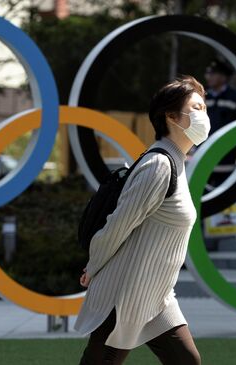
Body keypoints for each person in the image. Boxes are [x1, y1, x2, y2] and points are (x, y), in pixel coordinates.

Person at [75, 75, 207, 365]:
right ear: (171, 116)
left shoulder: (178, 164)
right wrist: (93, 266)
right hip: (125, 293)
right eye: (196, 108)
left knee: (187, 362)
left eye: (204, 108)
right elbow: (117, 226)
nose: (204, 116)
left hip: (156, 295)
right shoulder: (159, 165)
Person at [202, 59, 236, 190]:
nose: (208, 77)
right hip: (202, 160)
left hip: (226, 161)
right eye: (207, 73)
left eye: (212, 73)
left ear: (223, 77)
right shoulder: (202, 97)